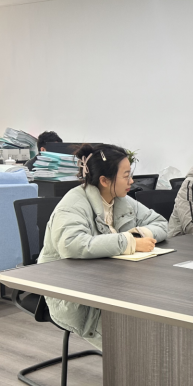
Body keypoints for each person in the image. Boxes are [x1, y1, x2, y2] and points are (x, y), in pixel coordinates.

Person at [37, 144, 168, 350]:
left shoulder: (122, 201)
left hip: (111, 281)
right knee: (136, 336)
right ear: (105, 181)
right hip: (72, 292)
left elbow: (161, 223)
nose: (131, 181)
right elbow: (72, 245)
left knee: (158, 308)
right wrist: (129, 242)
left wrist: (138, 235)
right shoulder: (73, 203)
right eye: (126, 176)